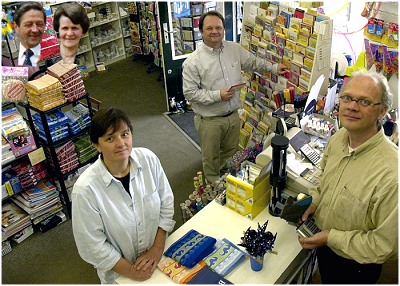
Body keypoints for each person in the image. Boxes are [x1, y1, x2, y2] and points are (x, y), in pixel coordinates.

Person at [298, 70, 398, 284]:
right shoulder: (340, 138)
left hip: (356, 266)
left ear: (382, 111)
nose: (352, 107)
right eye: (347, 98)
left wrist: (330, 237)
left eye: (364, 101)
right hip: (326, 249)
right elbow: (324, 175)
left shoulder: (391, 174)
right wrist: (315, 201)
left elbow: (384, 245)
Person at [182, 10, 288, 184]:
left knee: (230, 155)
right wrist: (219, 95)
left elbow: (254, 62)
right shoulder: (193, 62)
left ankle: (228, 187)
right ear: (201, 31)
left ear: (224, 29)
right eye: (209, 28)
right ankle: (213, 193)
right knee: (211, 160)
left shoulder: (234, 49)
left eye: (218, 27)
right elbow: (190, 93)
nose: (214, 31)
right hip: (210, 121)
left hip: (233, 116)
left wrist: (275, 68)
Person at [71, 107, 175, 284]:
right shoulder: (85, 190)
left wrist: (157, 248)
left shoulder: (148, 159)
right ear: (97, 145)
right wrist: (132, 271)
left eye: (125, 134)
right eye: (110, 138)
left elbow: (166, 203)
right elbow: (92, 246)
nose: (121, 143)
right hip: (121, 277)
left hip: (159, 259)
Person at [13, 2, 46, 67]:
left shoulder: (56, 54)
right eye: (28, 25)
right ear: (16, 27)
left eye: (39, 24)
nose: (35, 30)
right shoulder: (7, 59)